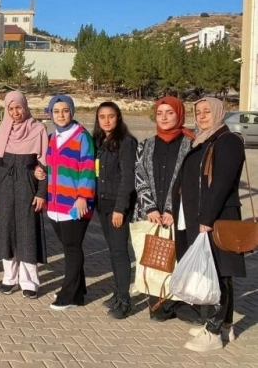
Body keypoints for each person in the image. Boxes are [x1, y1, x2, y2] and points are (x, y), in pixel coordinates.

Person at [176, 97, 245, 352]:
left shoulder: (228, 141)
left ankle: (214, 333)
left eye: (207, 111)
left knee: (217, 273)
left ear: (218, 112)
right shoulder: (204, 139)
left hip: (217, 219)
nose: (202, 116)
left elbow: (222, 184)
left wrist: (206, 219)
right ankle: (224, 324)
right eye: (199, 112)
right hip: (201, 218)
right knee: (216, 272)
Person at [132, 96, 195, 322]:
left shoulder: (191, 144)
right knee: (155, 258)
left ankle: (181, 303)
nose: (164, 117)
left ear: (180, 114)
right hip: (151, 215)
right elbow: (139, 177)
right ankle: (159, 304)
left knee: (179, 259)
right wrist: (150, 207)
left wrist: (171, 209)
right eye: (160, 113)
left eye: (170, 112)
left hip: (178, 215)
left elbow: (189, 181)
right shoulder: (146, 145)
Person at [0, 91, 48, 299]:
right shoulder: (3, 130)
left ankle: (29, 281)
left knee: (27, 234)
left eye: (18, 107)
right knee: (6, 233)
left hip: (27, 188)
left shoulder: (38, 129)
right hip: (3, 189)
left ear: (25, 106)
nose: (15, 112)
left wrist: (41, 193)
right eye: (11, 109)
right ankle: (9, 278)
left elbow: (44, 164)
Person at [43, 94, 95, 310]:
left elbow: (88, 167)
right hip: (55, 205)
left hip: (75, 205)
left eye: (65, 111)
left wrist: (83, 196)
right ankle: (79, 291)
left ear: (72, 112)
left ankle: (68, 294)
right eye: (56, 111)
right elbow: (49, 166)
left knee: (73, 249)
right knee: (69, 248)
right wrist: (40, 170)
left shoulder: (82, 136)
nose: (61, 115)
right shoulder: (52, 138)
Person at [92, 101, 137, 319]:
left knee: (120, 252)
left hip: (118, 206)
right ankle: (118, 293)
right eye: (102, 117)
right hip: (103, 204)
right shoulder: (100, 142)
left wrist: (121, 208)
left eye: (111, 116)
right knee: (112, 250)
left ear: (118, 118)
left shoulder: (126, 142)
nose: (107, 120)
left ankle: (125, 301)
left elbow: (128, 178)